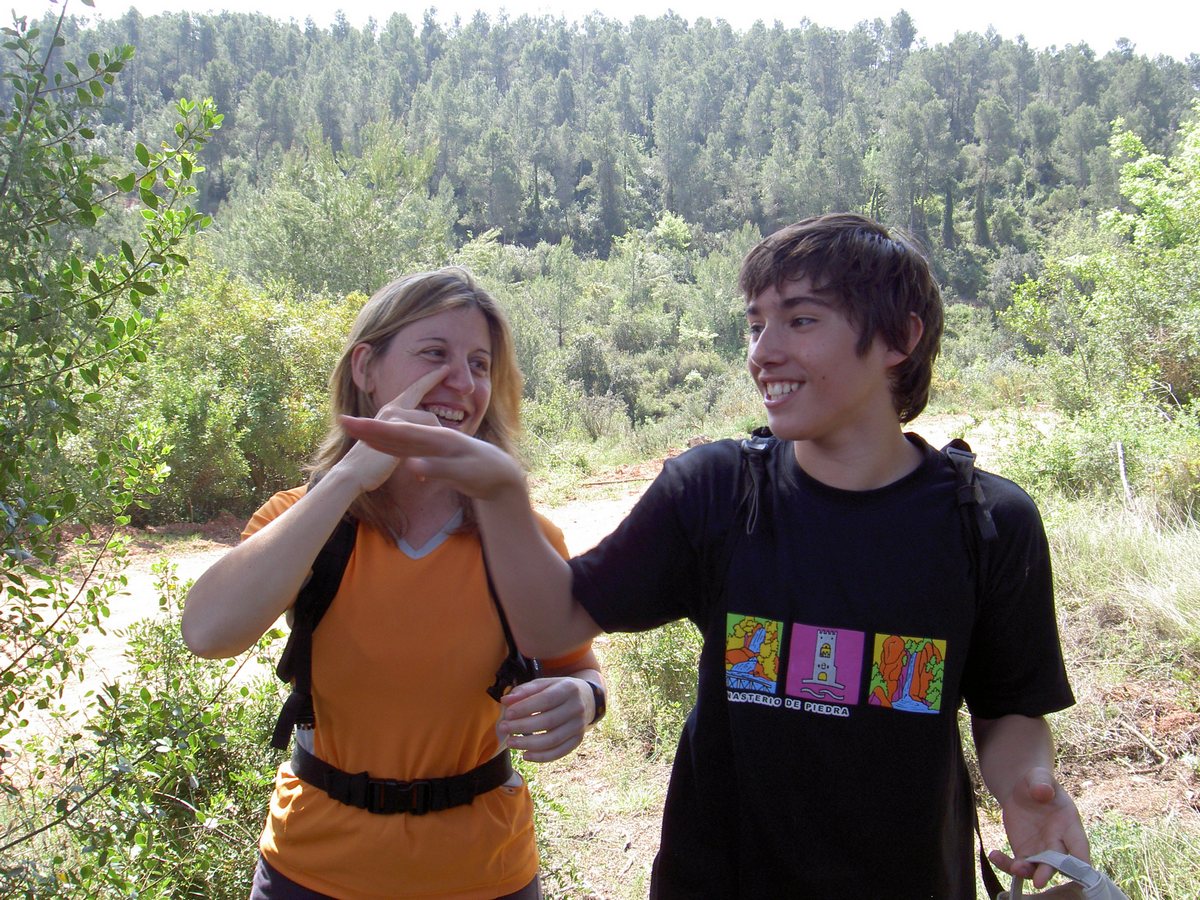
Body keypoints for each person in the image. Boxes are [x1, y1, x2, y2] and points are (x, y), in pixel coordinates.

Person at [340, 214, 1090, 898]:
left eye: (800, 319)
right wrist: (504, 492)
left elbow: (1008, 708)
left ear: (899, 338)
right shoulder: (716, 491)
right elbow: (551, 623)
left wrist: (1029, 784)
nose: (764, 353)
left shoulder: (987, 521)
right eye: (755, 324)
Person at [182, 268, 605, 900]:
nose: (463, 382)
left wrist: (584, 700)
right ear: (366, 368)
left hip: (483, 873)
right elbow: (207, 632)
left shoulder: (522, 535)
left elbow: (580, 668)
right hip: (312, 869)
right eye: (434, 354)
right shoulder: (302, 520)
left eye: (480, 364)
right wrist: (349, 477)